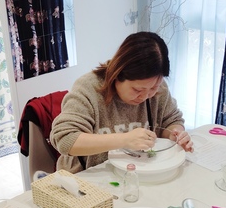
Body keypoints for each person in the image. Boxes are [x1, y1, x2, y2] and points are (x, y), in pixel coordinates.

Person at [50, 32, 193, 173]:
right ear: (117, 74)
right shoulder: (89, 88)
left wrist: (175, 134)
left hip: (138, 171)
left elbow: (172, 119)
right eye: (137, 90)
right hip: (87, 175)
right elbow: (65, 140)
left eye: (153, 88)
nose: (145, 96)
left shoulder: (158, 88)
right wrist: (125, 140)